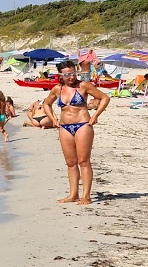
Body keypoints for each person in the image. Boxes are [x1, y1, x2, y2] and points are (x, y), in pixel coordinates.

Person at [41, 61, 110, 204]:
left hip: (83, 125)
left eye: (73, 73)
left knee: (84, 162)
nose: (71, 77)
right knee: (71, 163)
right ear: (60, 75)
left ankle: (86, 196)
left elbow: (104, 98)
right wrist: (53, 119)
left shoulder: (83, 86)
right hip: (64, 127)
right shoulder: (57, 89)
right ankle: (73, 194)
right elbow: (46, 104)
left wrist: (96, 115)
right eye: (67, 74)